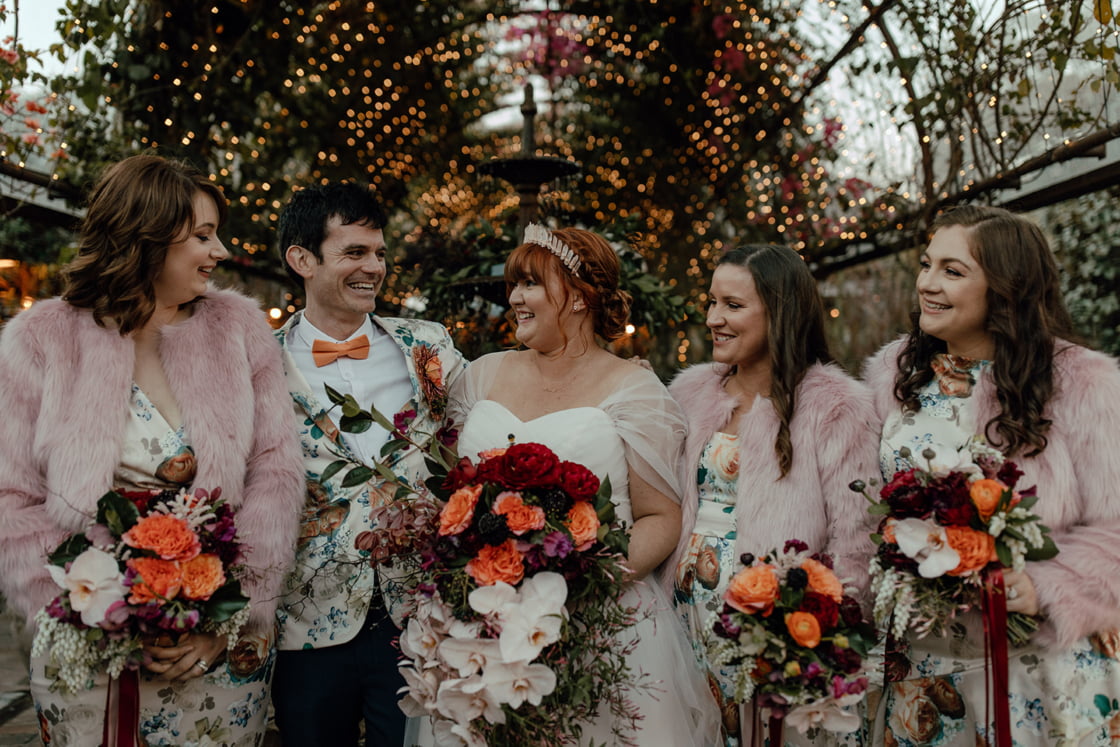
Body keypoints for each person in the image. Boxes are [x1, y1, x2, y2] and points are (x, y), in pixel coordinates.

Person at [0, 154, 305, 745]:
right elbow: (11, 497)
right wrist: (94, 609)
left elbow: (275, 473)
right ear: (147, 236)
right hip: (86, 641)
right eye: (203, 236)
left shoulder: (241, 332)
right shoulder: (40, 340)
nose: (220, 252)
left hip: (211, 645)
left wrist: (230, 612)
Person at [443, 224, 720, 746]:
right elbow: (454, 496)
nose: (515, 297)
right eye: (514, 284)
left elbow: (661, 517)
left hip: (599, 622)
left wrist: (578, 584)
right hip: (487, 618)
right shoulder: (479, 377)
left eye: (530, 284)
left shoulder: (636, 392)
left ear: (577, 296)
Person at [864, 204, 1120, 745]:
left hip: (1036, 669)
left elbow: (1115, 527)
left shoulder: (1083, 385)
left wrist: (1045, 587)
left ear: (1006, 289)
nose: (927, 284)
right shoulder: (894, 377)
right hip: (923, 665)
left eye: (952, 271)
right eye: (927, 264)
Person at [270, 182, 468, 747]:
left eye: (379, 253)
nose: (375, 268)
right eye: (354, 252)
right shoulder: (258, 362)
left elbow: (485, 427)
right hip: (306, 618)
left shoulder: (429, 346)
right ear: (302, 259)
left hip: (419, 613)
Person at [665, 244, 880, 746]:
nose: (713, 319)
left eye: (733, 305)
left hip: (777, 635)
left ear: (780, 311)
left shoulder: (837, 408)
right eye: (712, 302)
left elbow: (857, 543)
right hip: (684, 624)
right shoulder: (688, 394)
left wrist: (810, 637)